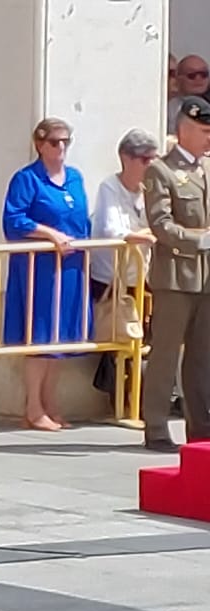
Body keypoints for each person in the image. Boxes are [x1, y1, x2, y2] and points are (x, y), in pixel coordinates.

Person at [1, 117, 91, 433]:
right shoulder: (27, 179)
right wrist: (49, 234)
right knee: (39, 336)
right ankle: (33, 407)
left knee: (59, 338)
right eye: (54, 142)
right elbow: (14, 220)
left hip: (71, 268)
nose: (61, 147)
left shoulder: (75, 177)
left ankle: (52, 404)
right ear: (40, 144)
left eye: (66, 141)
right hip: (39, 270)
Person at [142, 98, 210, 453]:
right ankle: (155, 427)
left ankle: (201, 428)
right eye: (203, 131)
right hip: (174, 277)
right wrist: (200, 240)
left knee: (202, 357)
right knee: (166, 355)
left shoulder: (207, 168)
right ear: (184, 130)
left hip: (206, 279)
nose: (209, 138)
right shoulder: (161, 171)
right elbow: (161, 224)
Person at [90, 129, 157, 401]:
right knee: (122, 336)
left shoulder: (150, 190)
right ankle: (123, 398)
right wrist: (146, 235)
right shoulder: (110, 187)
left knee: (144, 337)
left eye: (153, 159)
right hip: (113, 278)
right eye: (144, 159)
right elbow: (113, 230)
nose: (150, 165)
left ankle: (135, 397)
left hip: (143, 276)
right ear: (125, 158)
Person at [167, 55, 210, 134]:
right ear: (178, 78)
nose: (198, 79)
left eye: (203, 74)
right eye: (192, 75)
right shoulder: (169, 108)